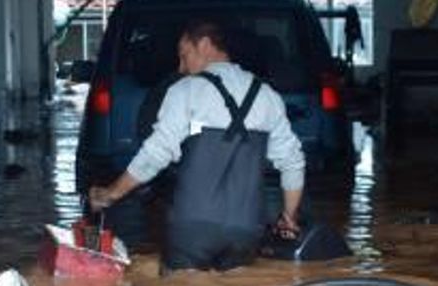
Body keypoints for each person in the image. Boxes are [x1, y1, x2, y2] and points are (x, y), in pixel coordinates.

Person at [90, 19, 306, 272]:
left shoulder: (185, 90)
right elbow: (293, 162)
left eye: (184, 56)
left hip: (191, 228)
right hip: (247, 229)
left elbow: (155, 155)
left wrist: (111, 193)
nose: (181, 67)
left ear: (204, 44)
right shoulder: (268, 96)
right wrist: (289, 218)